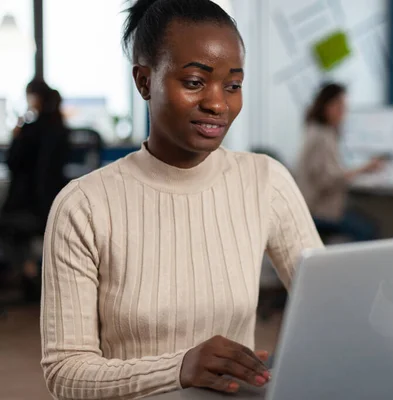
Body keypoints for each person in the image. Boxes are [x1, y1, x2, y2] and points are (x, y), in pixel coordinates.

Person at [39, 1, 322, 399]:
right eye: (194, 82)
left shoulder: (265, 180)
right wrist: (180, 368)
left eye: (233, 85)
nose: (218, 103)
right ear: (144, 81)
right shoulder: (84, 205)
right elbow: (66, 373)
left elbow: (329, 304)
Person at [0, 80, 70, 302]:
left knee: (6, 225)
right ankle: (31, 270)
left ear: (35, 98)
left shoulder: (29, 129)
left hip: (30, 208)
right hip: (53, 205)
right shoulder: (60, 128)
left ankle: (28, 271)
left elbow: (12, 162)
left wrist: (16, 134)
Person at [295, 83, 383, 242]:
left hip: (317, 206)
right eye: (340, 106)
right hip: (319, 210)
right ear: (328, 106)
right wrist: (364, 169)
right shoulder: (321, 137)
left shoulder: (319, 131)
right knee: (368, 229)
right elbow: (329, 179)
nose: (344, 113)